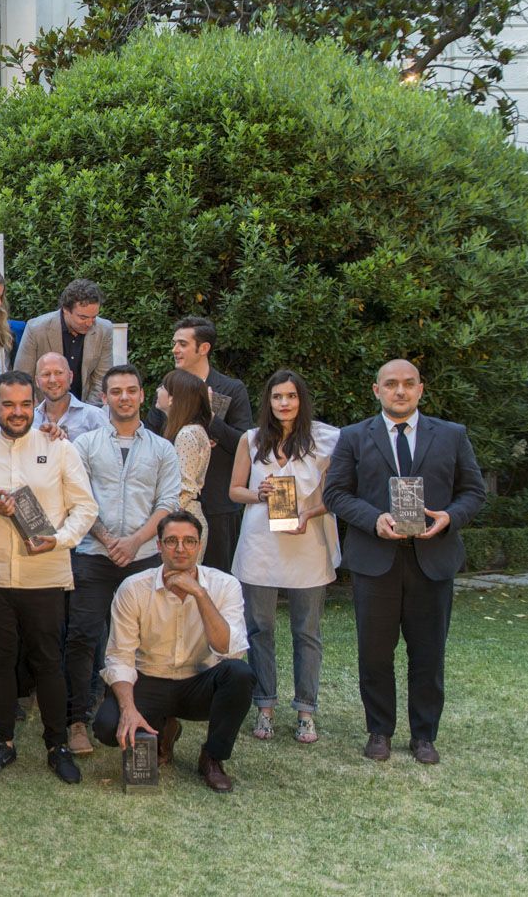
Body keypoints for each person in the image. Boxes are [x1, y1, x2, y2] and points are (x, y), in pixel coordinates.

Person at [322, 359, 484, 765]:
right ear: (376, 390)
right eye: (391, 383)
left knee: (428, 653)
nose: (400, 390)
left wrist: (449, 517)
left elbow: (474, 492)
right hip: (375, 561)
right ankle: (379, 731)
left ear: (420, 389)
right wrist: (373, 519)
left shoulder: (452, 435)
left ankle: (424, 735)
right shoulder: (353, 436)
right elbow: (336, 493)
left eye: (408, 384)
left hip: (433, 560)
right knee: (375, 653)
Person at [0, 371, 98, 785]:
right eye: (9, 404)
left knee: (49, 663)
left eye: (25, 404)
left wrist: (59, 540)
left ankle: (57, 746)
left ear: (34, 405)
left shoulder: (59, 447)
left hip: (45, 575)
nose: (18, 412)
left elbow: (85, 507)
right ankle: (2, 742)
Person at [64, 364, 179, 756]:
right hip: (94, 555)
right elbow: (77, 497)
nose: (124, 397)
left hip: (144, 556)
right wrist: (111, 540)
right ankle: (77, 720)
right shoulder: (85, 445)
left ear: (142, 395)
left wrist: (134, 542)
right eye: (116, 391)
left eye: (131, 390)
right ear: (104, 398)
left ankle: (150, 716)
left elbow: (168, 502)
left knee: (149, 640)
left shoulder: (162, 449)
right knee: (82, 636)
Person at [94, 512, 254, 792]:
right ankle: (164, 727)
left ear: (199, 546)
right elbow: (120, 656)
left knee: (240, 674)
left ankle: (212, 757)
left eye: (189, 541)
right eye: (171, 541)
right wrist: (128, 709)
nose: (181, 548)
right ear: (159, 546)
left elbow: (228, 649)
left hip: (199, 682)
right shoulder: (134, 588)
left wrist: (200, 594)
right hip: (150, 679)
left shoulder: (224, 585)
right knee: (107, 727)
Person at [229, 369, 339, 745]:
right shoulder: (251, 439)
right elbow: (234, 490)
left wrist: (309, 514)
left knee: (306, 631)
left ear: (301, 400)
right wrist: (257, 494)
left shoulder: (325, 440)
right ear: (268, 401)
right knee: (259, 629)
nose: (284, 403)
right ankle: (265, 706)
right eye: (277, 396)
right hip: (260, 544)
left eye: (291, 396)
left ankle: (306, 711)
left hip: (306, 544)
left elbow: (334, 494)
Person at [149, 316, 254, 573]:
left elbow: (244, 443)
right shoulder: (167, 389)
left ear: (203, 348)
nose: (175, 349)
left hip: (219, 505)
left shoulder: (231, 389)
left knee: (217, 581)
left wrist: (210, 419)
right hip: (174, 507)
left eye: (182, 344)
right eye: (174, 343)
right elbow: (151, 439)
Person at [14, 279, 114, 405]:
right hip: (42, 408)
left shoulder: (104, 329)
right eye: (83, 317)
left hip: (87, 408)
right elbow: (22, 378)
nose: (89, 323)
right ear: (66, 310)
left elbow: (102, 379)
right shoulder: (36, 329)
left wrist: (87, 412)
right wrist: (39, 413)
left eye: (94, 317)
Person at [158, 368, 214, 536]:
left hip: (184, 523)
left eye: (162, 387)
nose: (157, 390)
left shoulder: (186, 434)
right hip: (187, 518)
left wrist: (161, 518)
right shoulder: (193, 430)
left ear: (173, 399)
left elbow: (186, 486)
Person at [34, 352, 106, 440]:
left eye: (59, 373)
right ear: (37, 381)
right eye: (46, 374)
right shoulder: (30, 420)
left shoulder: (94, 417)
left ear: (71, 377)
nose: (52, 380)